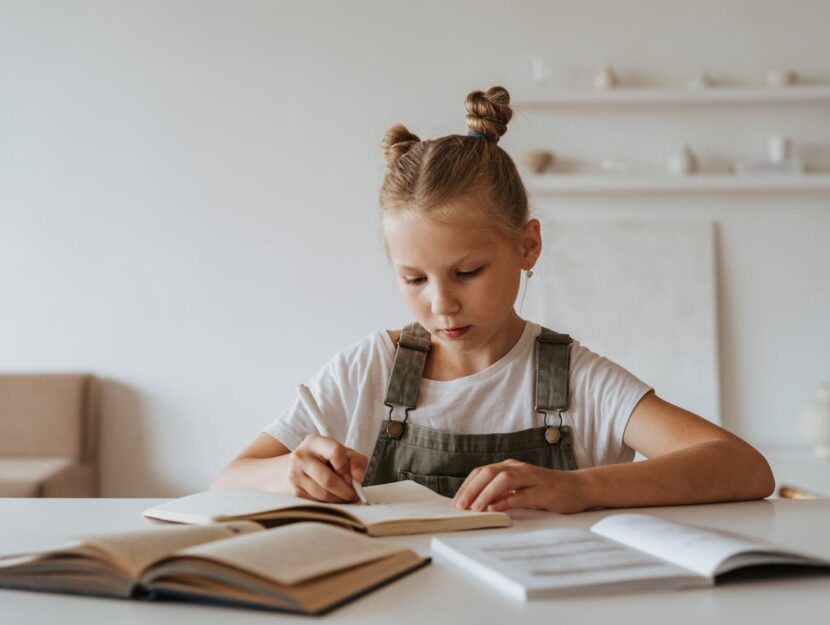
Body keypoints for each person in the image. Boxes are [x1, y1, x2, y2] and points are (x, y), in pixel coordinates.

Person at [212, 86, 774, 514]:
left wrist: (577, 487)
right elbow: (229, 478)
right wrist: (288, 472)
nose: (442, 304)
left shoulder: (575, 379)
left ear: (527, 246)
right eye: (414, 280)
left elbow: (744, 468)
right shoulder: (368, 371)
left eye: (467, 272)